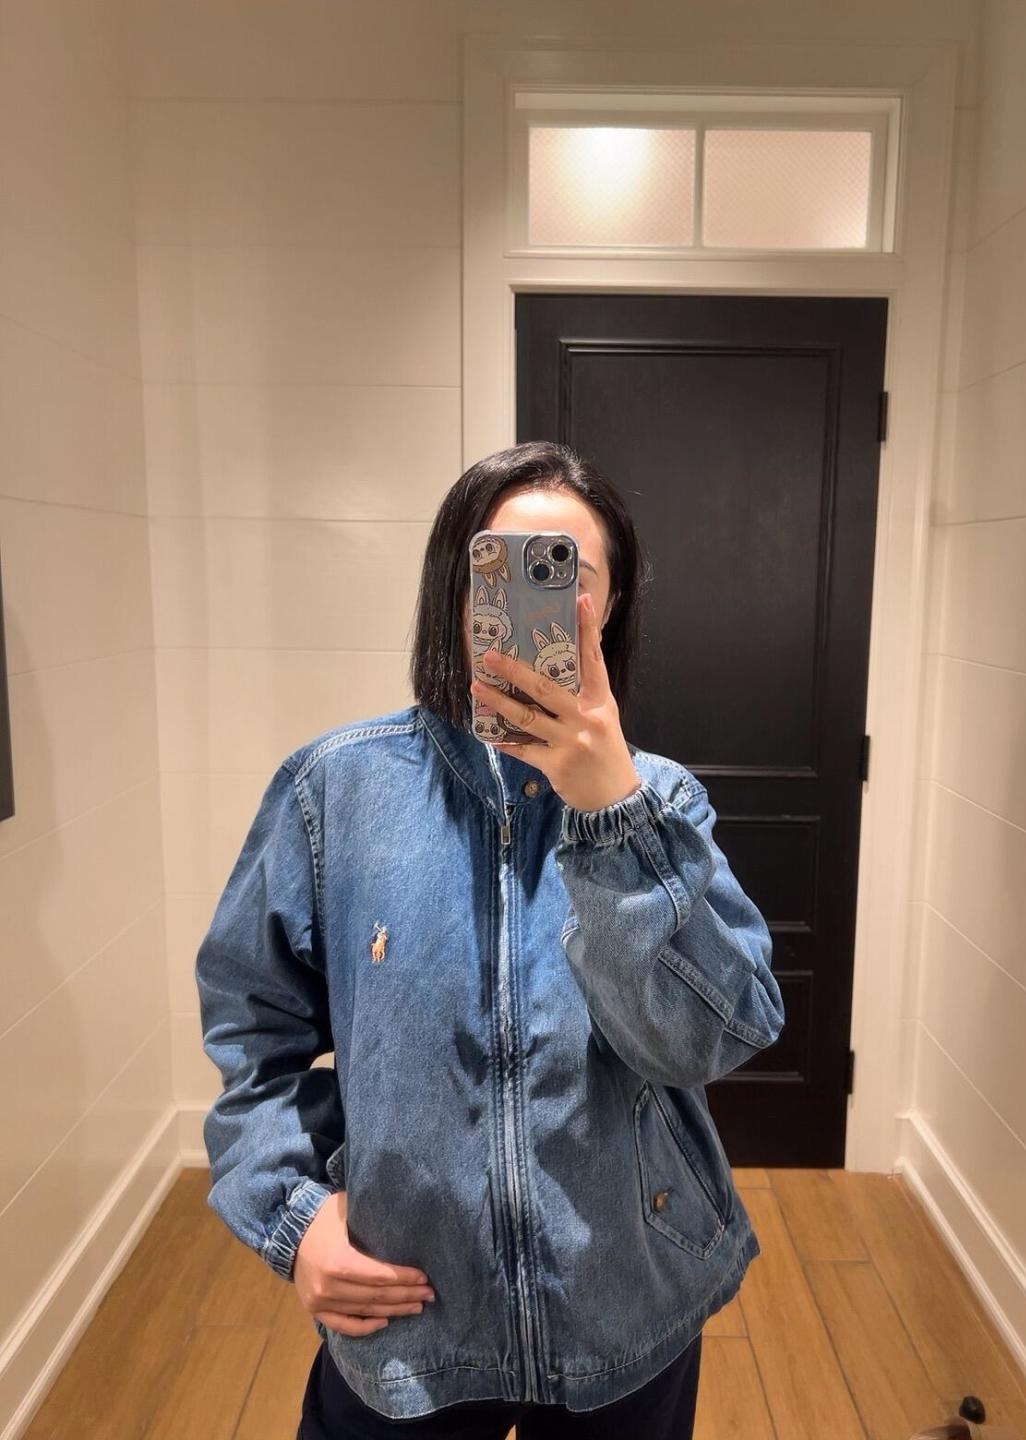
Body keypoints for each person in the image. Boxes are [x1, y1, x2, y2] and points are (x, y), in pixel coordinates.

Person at [195, 440, 785, 1438]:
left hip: (625, 1305)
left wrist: (612, 817)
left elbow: (709, 1040)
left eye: (568, 574)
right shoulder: (336, 791)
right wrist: (293, 1218)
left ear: (609, 607)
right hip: (406, 1315)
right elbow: (253, 1035)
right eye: (500, 568)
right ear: (456, 591)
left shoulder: (661, 801)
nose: (537, 600)